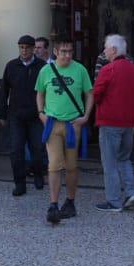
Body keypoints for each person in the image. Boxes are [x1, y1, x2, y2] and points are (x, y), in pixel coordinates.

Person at [35, 39, 92, 225]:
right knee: (54, 165)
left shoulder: (80, 70)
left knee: (71, 166)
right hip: (53, 123)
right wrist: (41, 113)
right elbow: (40, 93)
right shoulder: (46, 71)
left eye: (70, 51)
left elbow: (89, 94)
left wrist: (85, 117)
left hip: (73, 123)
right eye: (63, 52)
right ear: (56, 52)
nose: (67, 55)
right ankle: (53, 204)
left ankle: (70, 201)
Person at [91, 34, 134, 213]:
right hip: (129, 123)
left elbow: (97, 93)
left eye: (106, 47)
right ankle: (130, 192)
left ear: (113, 50)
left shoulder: (108, 69)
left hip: (110, 121)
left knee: (110, 162)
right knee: (124, 158)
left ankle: (114, 201)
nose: (104, 51)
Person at [0, 35, 47, 197]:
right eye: (21, 47)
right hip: (16, 116)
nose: (24, 50)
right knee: (16, 150)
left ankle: (39, 175)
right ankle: (19, 183)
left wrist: (46, 113)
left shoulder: (42, 66)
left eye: (27, 47)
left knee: (38, 149)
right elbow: (4, 91)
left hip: (36, 116)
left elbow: (48, 91)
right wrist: (1, 114)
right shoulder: (12, 66)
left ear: (34, 49)